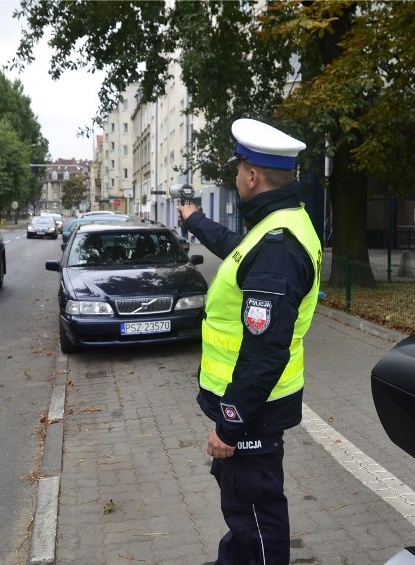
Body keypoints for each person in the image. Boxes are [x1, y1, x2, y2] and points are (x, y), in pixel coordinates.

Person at [176, 118, 322, 565]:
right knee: (243, 504)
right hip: (255, 406)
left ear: (252, 176)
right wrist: (196, 220)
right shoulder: (279, 224)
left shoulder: (277, 245)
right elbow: (238, 249)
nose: (237, 177)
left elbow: (265, 351)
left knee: (255, 510)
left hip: (253, 411)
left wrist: (229, 423)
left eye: (239, 169)